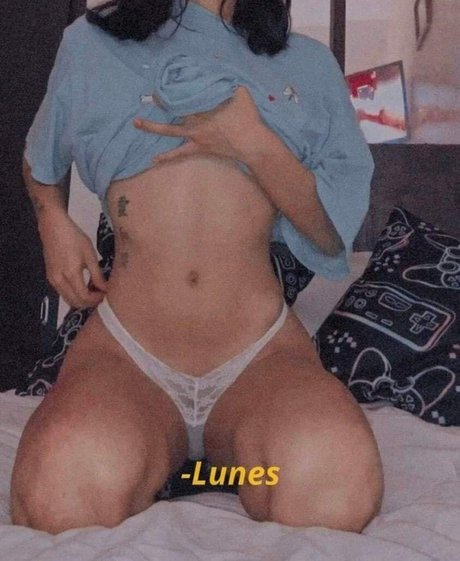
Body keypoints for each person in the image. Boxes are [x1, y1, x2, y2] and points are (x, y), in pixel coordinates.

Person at [11, 0, 383, 534]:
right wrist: (52, 221)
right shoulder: (90, 45)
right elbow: (39, 160)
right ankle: (174, 463)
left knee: (333, 486)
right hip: (129, 356)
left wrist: (253, 142)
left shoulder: (308, 65)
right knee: (58, 494)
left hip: (258, 358)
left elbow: (329, 236)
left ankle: (224, 472)